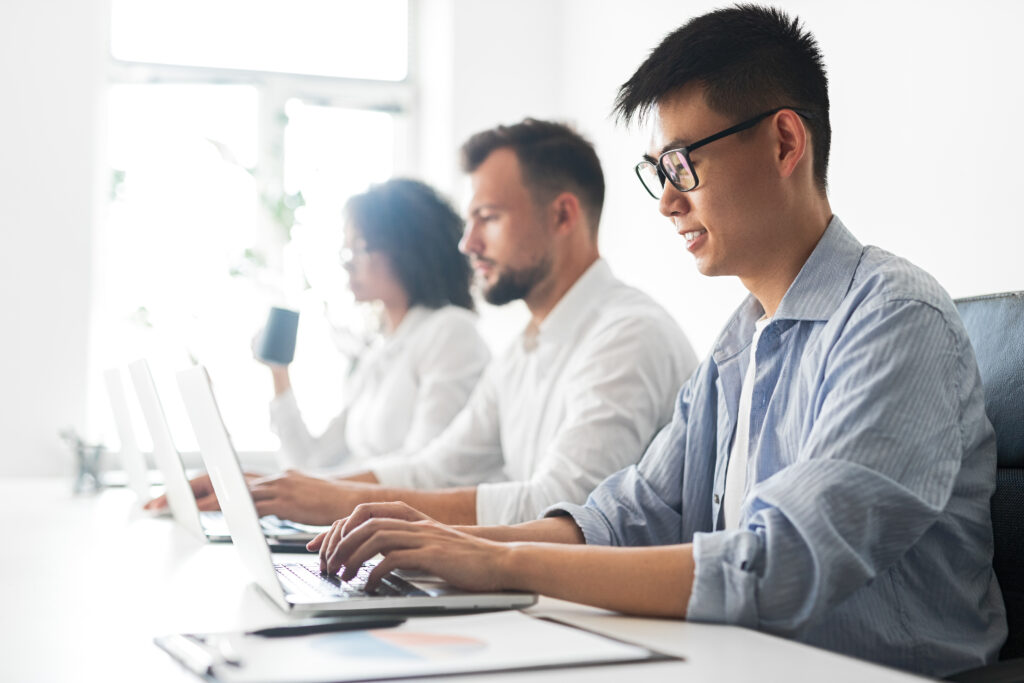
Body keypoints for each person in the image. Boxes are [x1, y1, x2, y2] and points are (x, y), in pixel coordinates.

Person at [308, 6, 1007, 678]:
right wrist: (450, 548)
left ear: (785, 143)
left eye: (681, 164)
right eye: (659, 173)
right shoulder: (739, 344)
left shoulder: (897, 321)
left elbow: (774, 564)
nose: (668, 201)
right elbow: (627, 515)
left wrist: (497, 561)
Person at [157, 119, 698, 527]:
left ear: (561, 216)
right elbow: (434, 468)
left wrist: (338, 499)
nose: (468, 243)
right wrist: (286, 487)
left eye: (488, 217)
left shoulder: (627, 335)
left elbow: (561, 509)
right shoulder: (524, 350)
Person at [262, 179, 491, 471]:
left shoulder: (451, 332)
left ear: (407, 250)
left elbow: (424, 471)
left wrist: (324, 493)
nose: (348, 264)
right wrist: (278, 372)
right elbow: (310, 461)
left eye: (360, 248)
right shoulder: (380, 348)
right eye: (347, 250)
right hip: (365, 510)